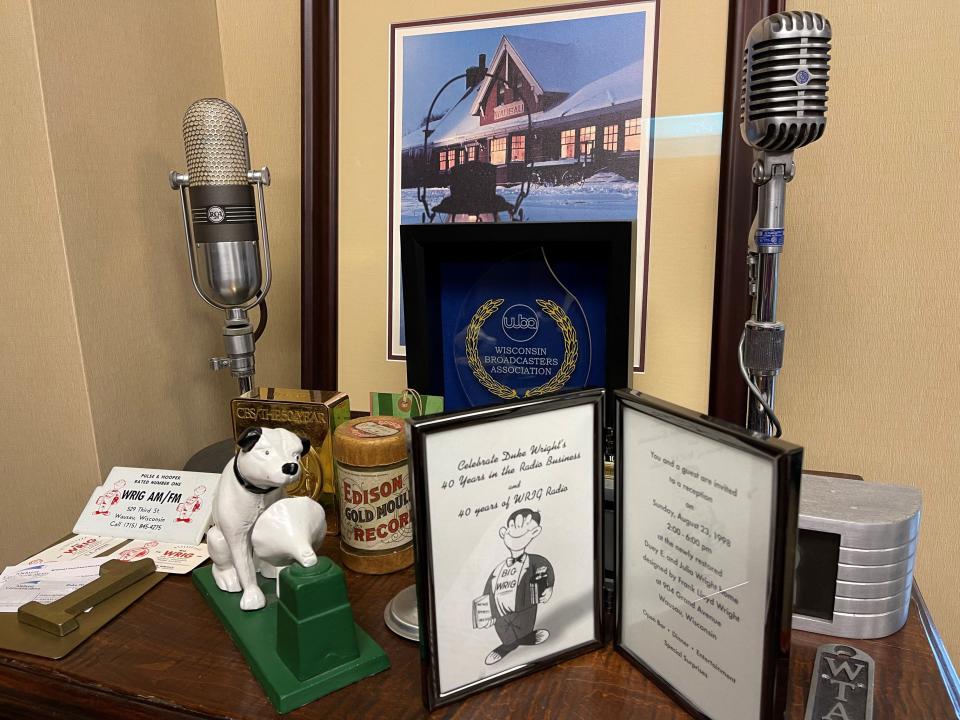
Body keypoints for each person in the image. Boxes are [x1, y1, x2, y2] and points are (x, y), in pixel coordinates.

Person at [477, 508, 555, 665]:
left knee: (524, 626)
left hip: (525, 611)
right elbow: (488, 591)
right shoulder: (498, 569)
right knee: (506, 634)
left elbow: (546, 568)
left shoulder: (534, 561)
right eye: (513, 527)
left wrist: (549, 587)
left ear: (534, 532)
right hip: (501, 617)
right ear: (504, 533)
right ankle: (505, 647)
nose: (518, 532)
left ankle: (527, 637)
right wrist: (487, 615)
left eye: (526, 528)